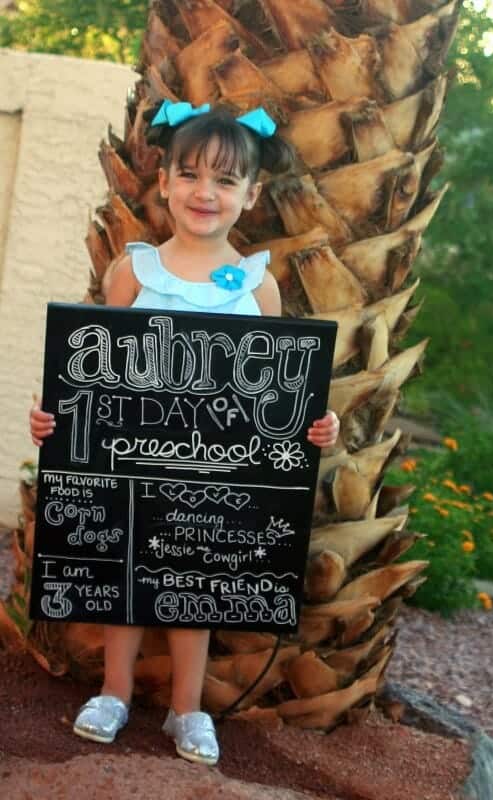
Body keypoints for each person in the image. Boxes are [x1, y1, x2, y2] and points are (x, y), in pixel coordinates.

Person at [29, 100, 340, 766]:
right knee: (129, 574)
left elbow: (279, 400)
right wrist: (53, 421)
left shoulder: (258, 291)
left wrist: (316, 426)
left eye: (227, 180)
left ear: (251, 194)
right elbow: (92, 379)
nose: (207, 192)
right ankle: (113, 692)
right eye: (191, 174)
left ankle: (186, 709)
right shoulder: (131, 274)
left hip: (216, 480)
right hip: (134, 465)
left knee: (195, 577)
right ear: (164, 181)